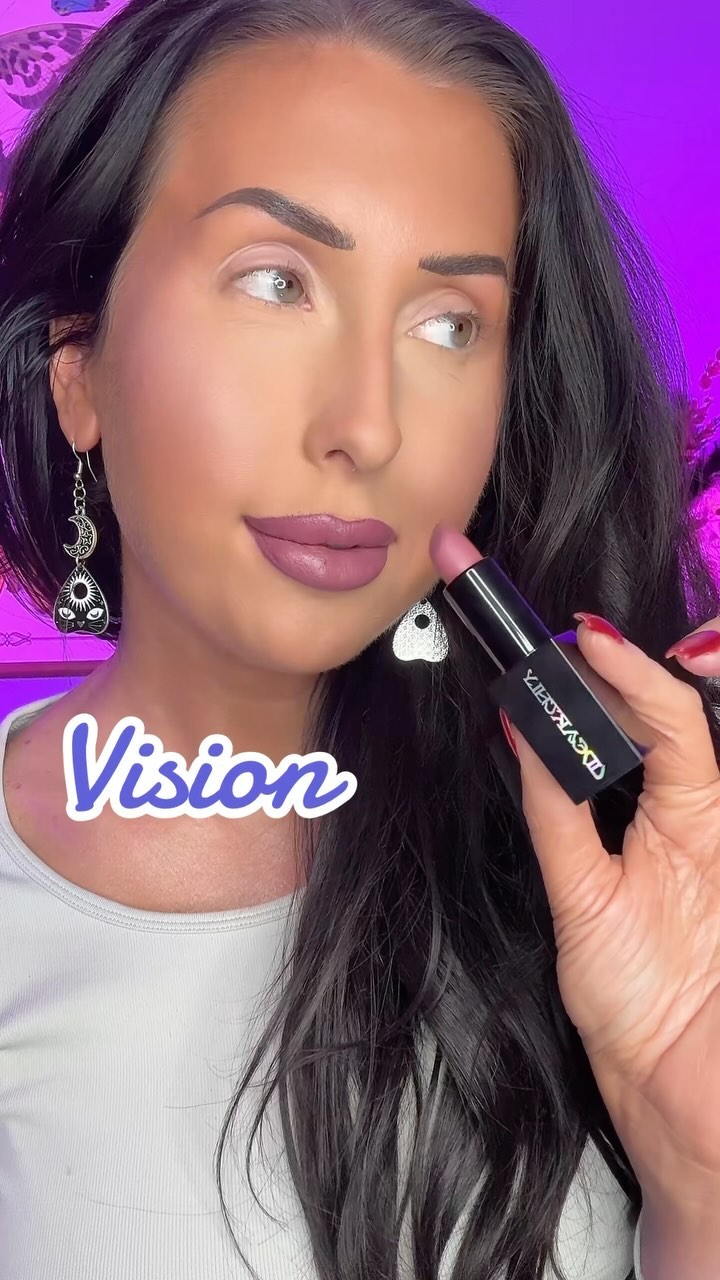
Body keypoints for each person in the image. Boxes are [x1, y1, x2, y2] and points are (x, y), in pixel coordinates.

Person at [0, 1, 718, 1277]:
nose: (369, 426)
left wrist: (697, 1174)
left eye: (450, 323)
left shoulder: (605, 860)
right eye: (277, 281)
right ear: (79, 366)